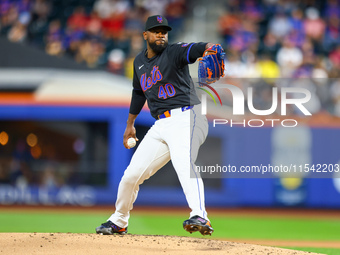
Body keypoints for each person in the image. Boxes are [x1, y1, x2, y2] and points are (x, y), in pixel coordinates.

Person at [96, 15, 219, 236]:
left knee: (183, 162)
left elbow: (196, 48)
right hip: (161, 124)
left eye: (164, 31)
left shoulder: (174, 51)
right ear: (146, 35)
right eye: (156, 31)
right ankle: (119, 220)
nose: (161, 34)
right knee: (131, 175)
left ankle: (200, 215)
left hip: (187, 117)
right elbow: (137, 92)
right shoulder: (139, 63)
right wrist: (130, 124)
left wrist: (210, 47)